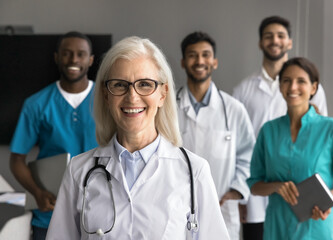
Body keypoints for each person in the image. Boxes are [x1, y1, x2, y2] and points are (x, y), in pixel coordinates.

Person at [46, 36, 230, 240]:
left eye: (144, 84)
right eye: (119, 85)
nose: (132, 96)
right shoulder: (78, 171)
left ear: (162, 93)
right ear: (106, 95)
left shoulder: (194, 171)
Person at [232, 16, 328, 240]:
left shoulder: (311, 88)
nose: (274, 40)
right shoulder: (243, 90)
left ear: (289, 42)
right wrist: (241, 194)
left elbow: (321, 141)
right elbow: (237, 145)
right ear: (260, 43)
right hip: (258, 191)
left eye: (280, 36)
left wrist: (320, 195)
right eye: (268, 36)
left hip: (300, 189)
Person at [247, 57, 333, 239]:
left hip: (317, 229)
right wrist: (277, 186)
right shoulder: (268, 131)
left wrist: (325, 200)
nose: (292, 87)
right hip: (277, 229)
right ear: (280, 86)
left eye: (301, 81)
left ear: (313, 88)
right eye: (287, 81)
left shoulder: (332, 129)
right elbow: (254, 185)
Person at [9, 31, 97, 240]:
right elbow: (16, 160)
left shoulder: (108, 101)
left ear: (91, 60)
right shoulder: (36, 104)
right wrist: (37, 192)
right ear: (57, 57)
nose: (74, 60)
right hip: (51, 214)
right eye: (67, 53)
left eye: (80, 54)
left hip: (100, 213)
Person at [177, 31, 255, 240]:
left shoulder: (233, 109)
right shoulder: (167, 109)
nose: (200, 60)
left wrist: (236, 190)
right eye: (192, 55)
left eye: (205, 55)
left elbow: (249, 155)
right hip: (176, 205)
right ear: (183, 62)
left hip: (222, 208)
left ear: (215, 62)